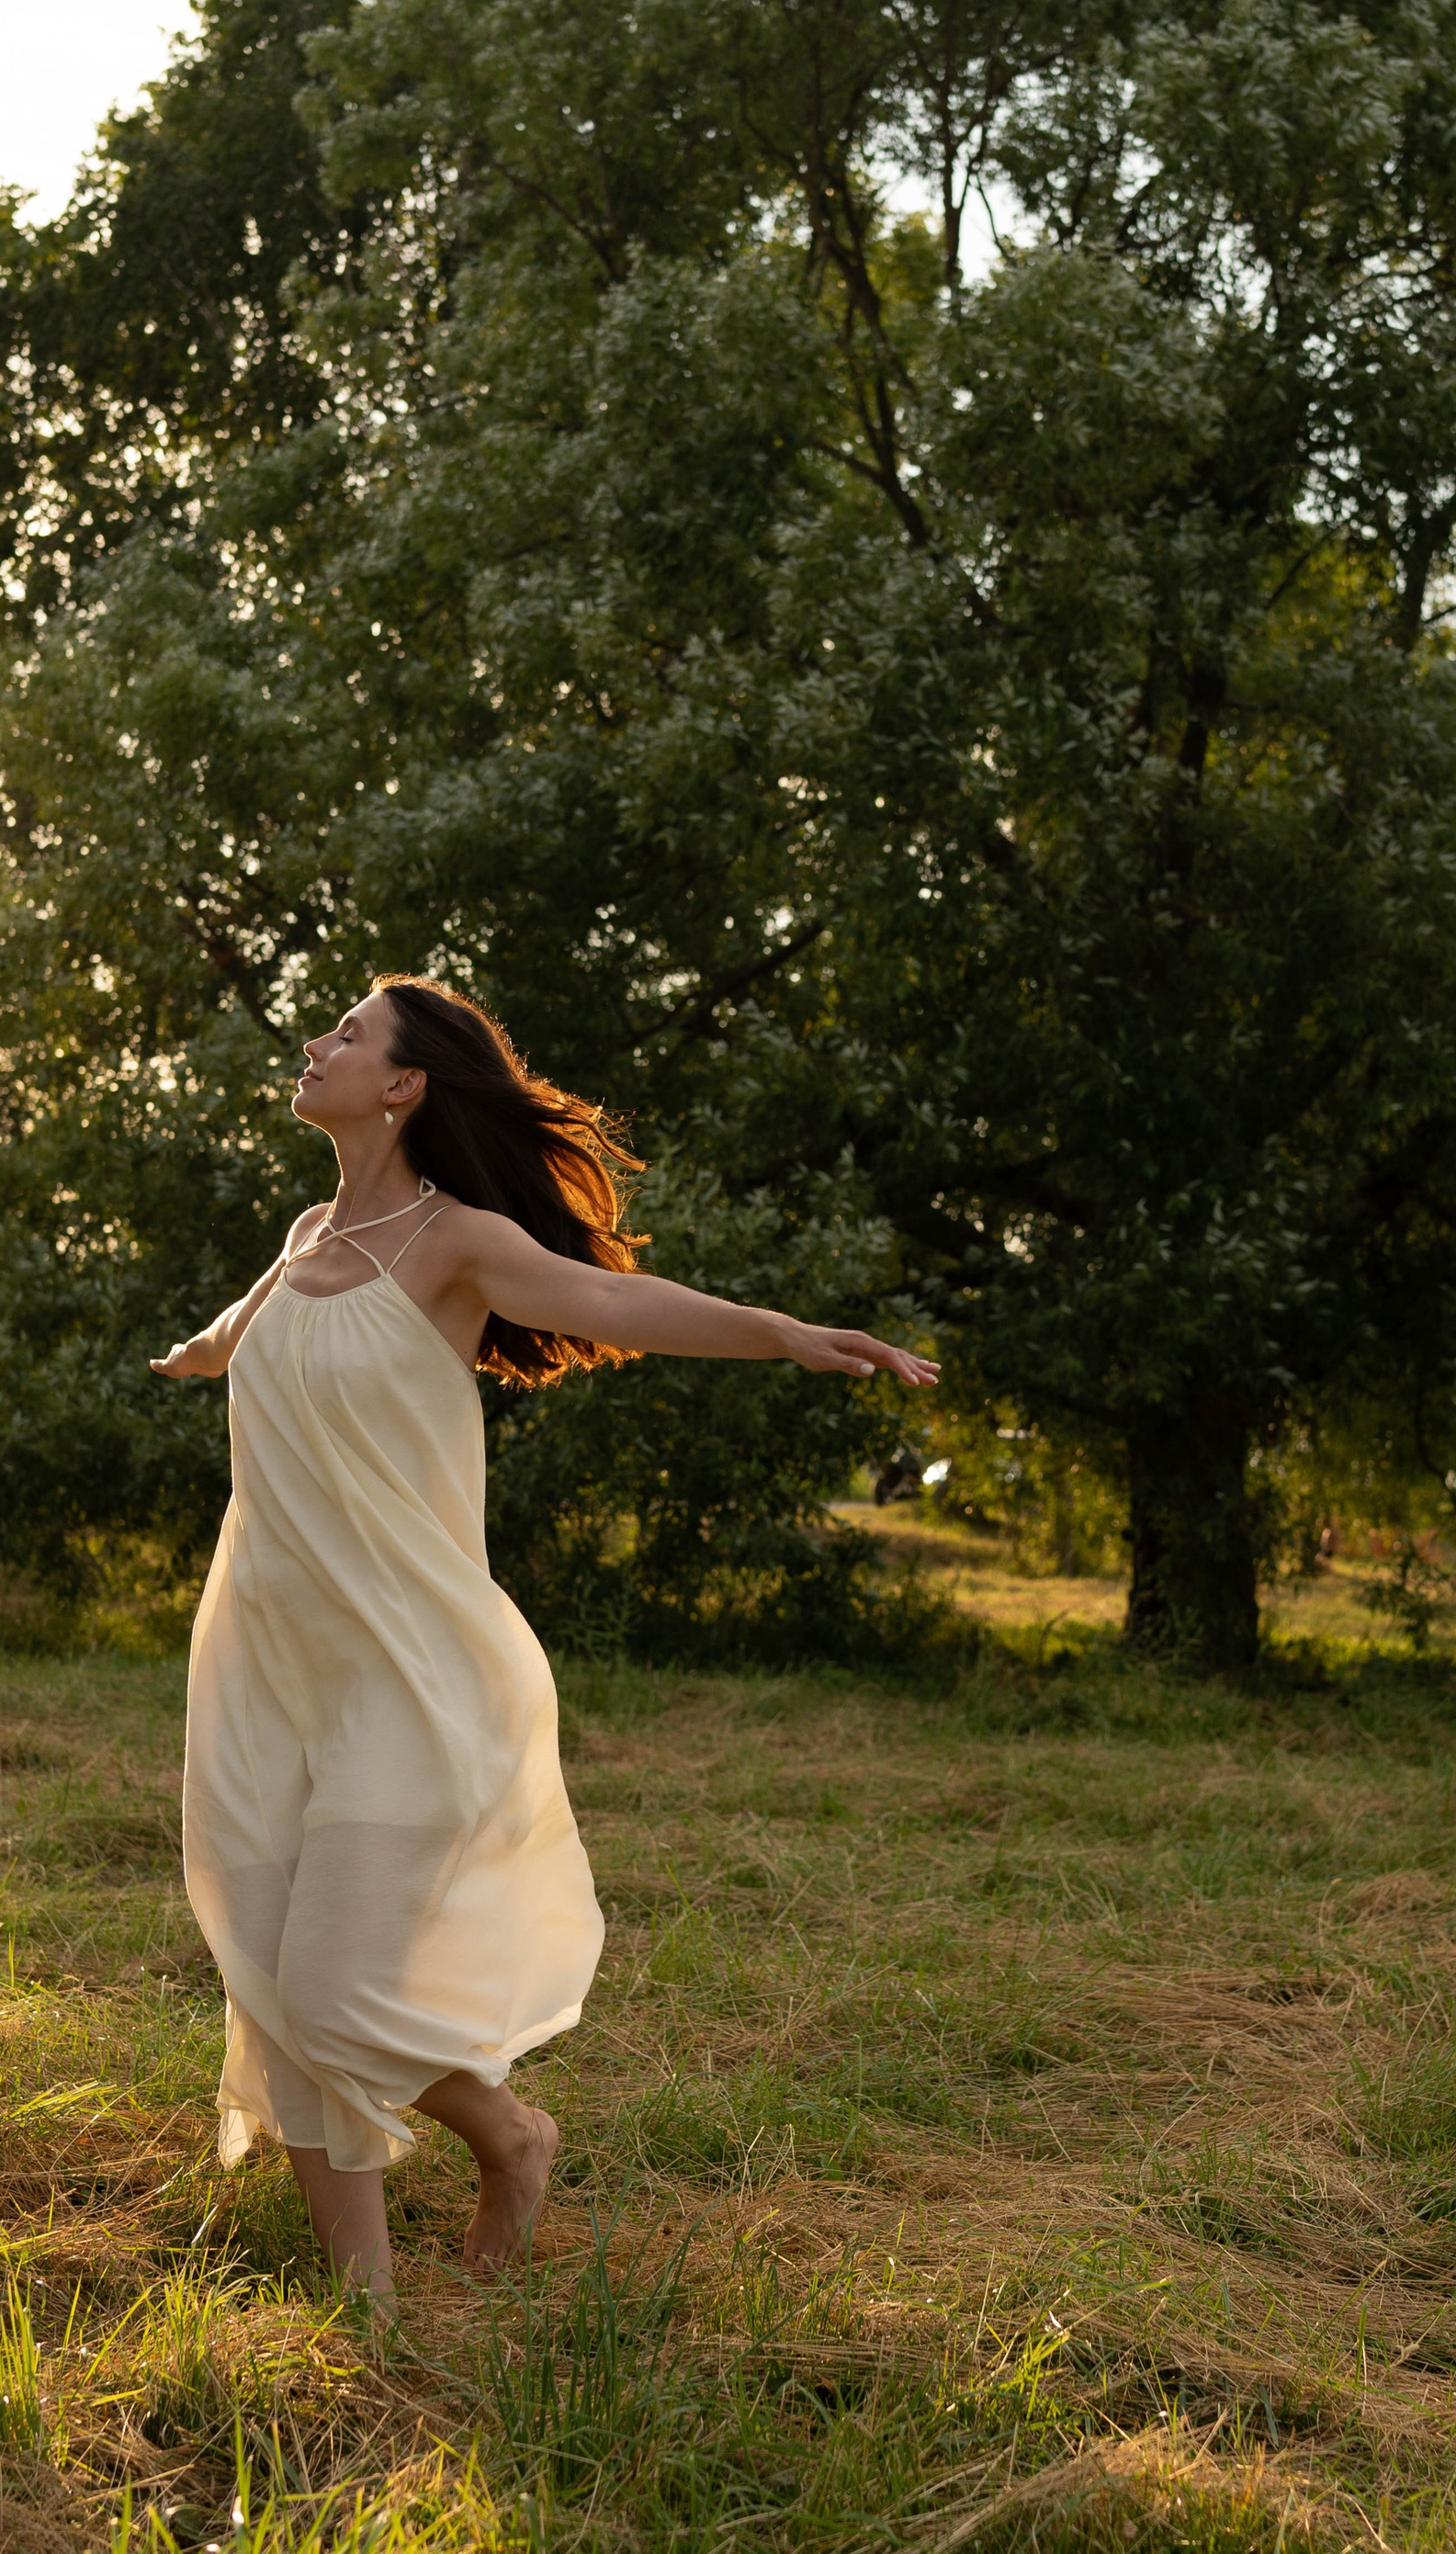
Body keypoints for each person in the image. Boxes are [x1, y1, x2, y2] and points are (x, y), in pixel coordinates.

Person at [151, 975, 936, 2309]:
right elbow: (253, 1326)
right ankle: (373, 2314)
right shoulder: (298, 1237)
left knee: (333, 1990)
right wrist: (202, 1350)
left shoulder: (458, 1243)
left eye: (345, 1034)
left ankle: (513, 2140)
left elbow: (612, 1303)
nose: (314, 1042)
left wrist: (781, 1335)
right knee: (269, 1981)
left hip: (413, 1671)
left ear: (403, 1086)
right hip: (268, 1666)